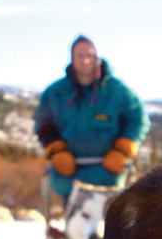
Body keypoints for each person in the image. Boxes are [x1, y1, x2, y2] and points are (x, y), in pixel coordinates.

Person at [34, 35, 150, 199]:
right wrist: (56, 150)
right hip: (68, 174)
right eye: (80, 55)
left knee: (109, 220)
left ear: (96, 56)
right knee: (76, 222)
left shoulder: (117, 91)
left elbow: (138, 119)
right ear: (72, 59)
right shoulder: (55, 92)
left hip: (109, 172)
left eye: (89, 55)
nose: (85, 60)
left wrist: (123, 149)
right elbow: (43, 123)